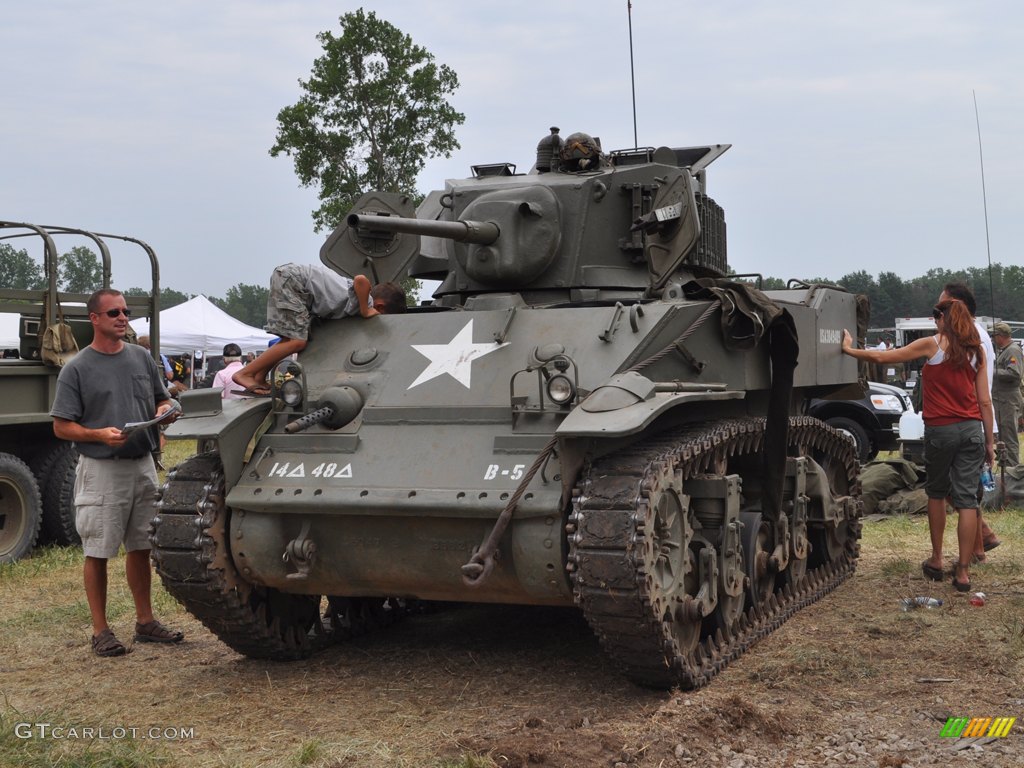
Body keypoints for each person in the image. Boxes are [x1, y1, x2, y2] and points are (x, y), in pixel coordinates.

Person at [50, 288, 185, 657]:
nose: (123, 318)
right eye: (114, 313)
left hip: (142, 466)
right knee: (98, 550)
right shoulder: (77, 368)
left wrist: (165, 408)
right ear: (94, 319)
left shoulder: (141, 357)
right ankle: (101, 631)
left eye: (125, 312)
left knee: (141, 546)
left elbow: (161, 397)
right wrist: (96, 434)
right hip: (101, 470)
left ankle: (145, 622)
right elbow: (61, 426)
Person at [841, 297, 994, 593]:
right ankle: (962, 572)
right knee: (967, 501)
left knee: (936, 493)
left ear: (944, 319)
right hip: (972, 429)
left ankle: (937, 558)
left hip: (941, 431)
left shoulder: (933, 345)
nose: (934, 318)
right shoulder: (977, 352)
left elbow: (885, 358)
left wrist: (849, 349)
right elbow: (984, 400)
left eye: (937, 314)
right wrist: (990, 440)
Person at [231, 265, 406, 395]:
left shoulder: (350, 302)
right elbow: (361, 279)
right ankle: (244, 373)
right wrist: (366, 309)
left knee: (287, 341)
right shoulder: (366, 301)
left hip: (292, 281)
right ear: (380, 307)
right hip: (295, 282)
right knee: (297, 342)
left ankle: (259, 376)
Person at [940, 282, 1001, 556]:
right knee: (966, 488)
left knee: (963, 490)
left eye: (942, 306)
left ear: (956, 306)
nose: (938, 312)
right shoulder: (978, 333)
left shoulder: (967, 335)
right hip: (976, 418)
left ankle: (977, 548)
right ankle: (982, 538)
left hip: (969, 417)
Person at [991, 322, 1022, 468]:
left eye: (994, 335)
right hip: (1002, 400)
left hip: (1008, 400)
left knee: (1009, 438)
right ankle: (1007, 472)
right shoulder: (1005, 350)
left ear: (1001, 336)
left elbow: (1015, 373)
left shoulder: (1012, 351)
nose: (992, 339)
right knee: (1003, 437)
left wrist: (991, 372)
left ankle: (1014, 473)